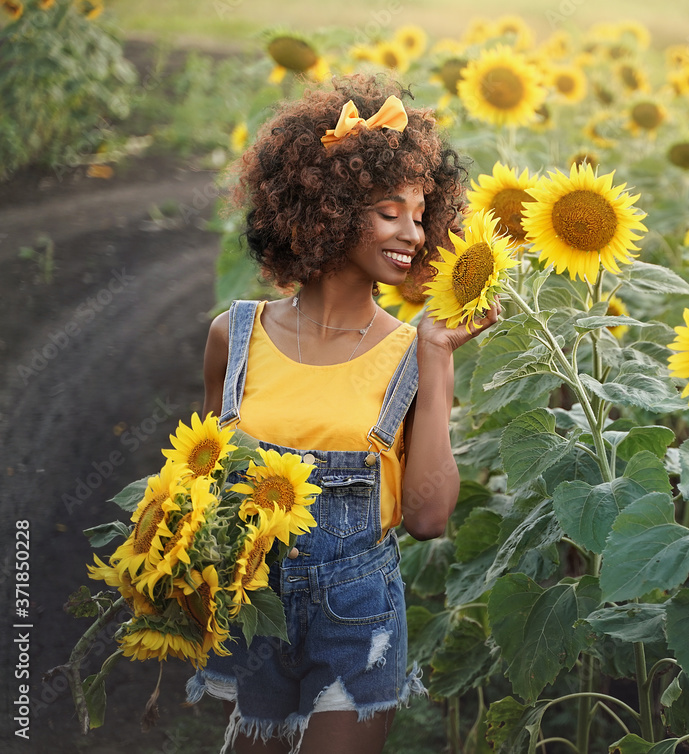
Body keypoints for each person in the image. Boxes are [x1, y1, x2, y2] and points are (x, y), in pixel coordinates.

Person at [185, 73, 499, 754]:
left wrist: (438, 358)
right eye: (391, 211)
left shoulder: (411, 355)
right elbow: (200, 481)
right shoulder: (231, 337)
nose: (413, 233)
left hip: (359, 617)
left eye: (421, 214)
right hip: (253, 610)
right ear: (326, 206)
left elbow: (428, 518)